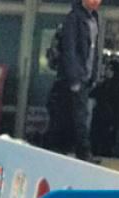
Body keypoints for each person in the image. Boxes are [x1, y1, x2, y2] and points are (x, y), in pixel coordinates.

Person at [47, 0, 103, 162]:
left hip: (84, 76)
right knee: (79, 115)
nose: (96, 1)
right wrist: (74, 77)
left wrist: (93, 74)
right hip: (74, 77)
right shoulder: (73, 19)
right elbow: (69, 49)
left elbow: (93, 51)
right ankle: (82, 151)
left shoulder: (94, 19)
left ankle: (65, 149)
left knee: (71, 114)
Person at [90, 59, 119, 157]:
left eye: (110, 69)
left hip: (109, 121)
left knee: (107, 147)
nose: (107, 71)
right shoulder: (104, 84)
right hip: (99, 119)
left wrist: (114, 123)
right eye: (107, 69)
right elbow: (92, 94)